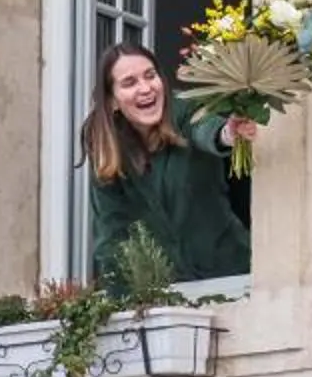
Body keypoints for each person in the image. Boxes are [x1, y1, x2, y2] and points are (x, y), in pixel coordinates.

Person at [80, 41, 258, 286]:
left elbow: (204, 128)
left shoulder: (186, 109)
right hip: (165, 291)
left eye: (150, 75)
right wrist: (119, 299)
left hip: (232, 273)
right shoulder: (107, 146)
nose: (145, 88)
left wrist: (227, 134)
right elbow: (111, 236)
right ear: (112, 100)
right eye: (130, 83)